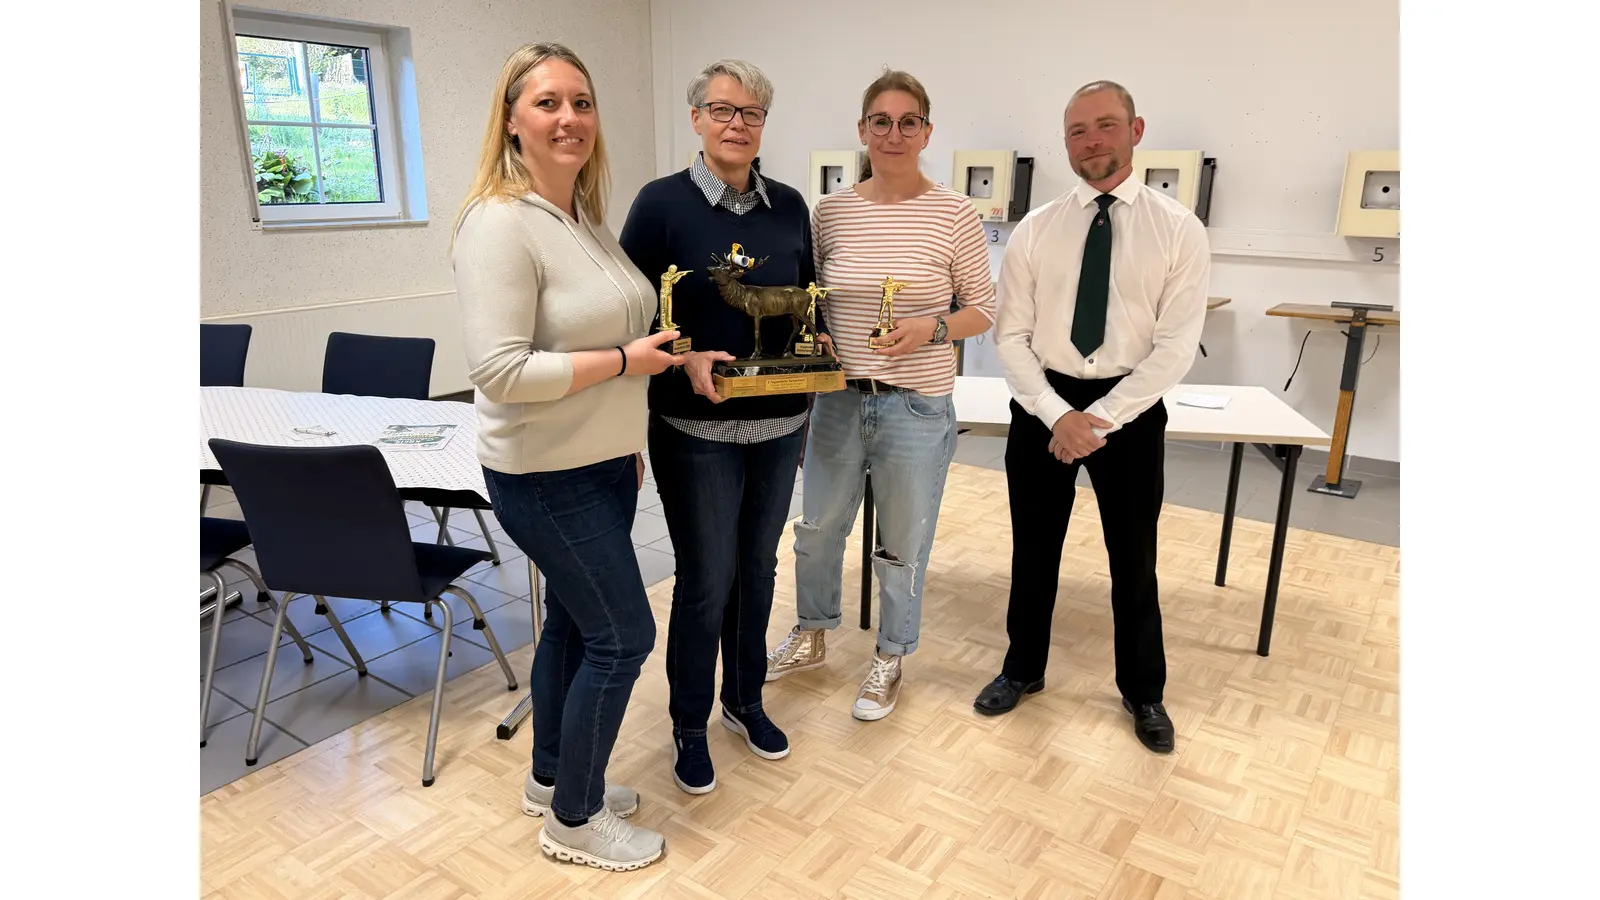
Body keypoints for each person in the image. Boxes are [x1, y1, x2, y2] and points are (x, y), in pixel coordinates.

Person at [451, 41, 685, 872]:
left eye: (581, 102)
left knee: (579, 631)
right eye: (547, 102)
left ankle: (552, 779)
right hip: (543, 476)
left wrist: (632, 417)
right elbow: (501, 372)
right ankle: (576, 824)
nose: (569, 118)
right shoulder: (500, 223)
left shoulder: (581, 218)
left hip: (599, 466)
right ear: (512, 122)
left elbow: (613, 332)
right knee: (624, 636)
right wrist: (627, 366)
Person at [975, 80, 1211, 756]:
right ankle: (1022, 669)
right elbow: (1011, 338)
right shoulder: (1036, 229)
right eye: (1077, 131)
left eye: (1105, 126)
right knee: (1034, 549)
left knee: (1133, 559)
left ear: (1136, 131)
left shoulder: (1178, 230)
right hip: (1041, 405)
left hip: (1129, 412)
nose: (1092, 142)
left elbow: (1172, 350)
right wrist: (1057, 414)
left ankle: (1144, 690)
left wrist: (1097, 419)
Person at [766, 69, 995, 722]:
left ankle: (891, 654)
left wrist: (932, 327)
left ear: (927, 131)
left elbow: (984, 309)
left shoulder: (955, 214)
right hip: (839, 400)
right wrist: (817, 342)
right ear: (861, 130)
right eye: (880, 122)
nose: (894, 134)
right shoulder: (831, 212)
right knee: (815, 531)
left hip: (917, 406)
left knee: (901, 543)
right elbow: (813, 303)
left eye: (908, 122)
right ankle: (812, 633)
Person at [618, 59, 820, 794]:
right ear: (697, 117)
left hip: (778, 426)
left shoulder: (791, 206)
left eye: (752, 113)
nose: (738, 124)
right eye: (722, 109)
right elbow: (631, 318)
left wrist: (815, 342)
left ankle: (744, 700)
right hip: (695, 430)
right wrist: (682, 359)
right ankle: (687, 722)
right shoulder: (659, 205)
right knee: (704, 581)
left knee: (758, 572)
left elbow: (804, 294)